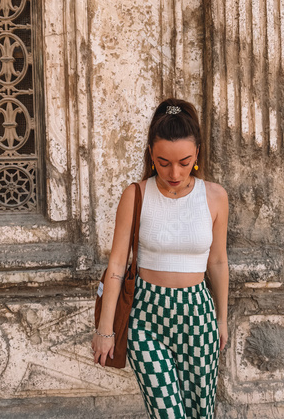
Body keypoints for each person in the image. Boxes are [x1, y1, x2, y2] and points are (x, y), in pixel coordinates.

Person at [91, 98, 229, 419]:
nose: (175, 172)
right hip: (146, 319)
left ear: (197, 154)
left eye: (184, 161)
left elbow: (218, 262)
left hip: (198, 317)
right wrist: (105, 329)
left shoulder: (215, 196)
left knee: (200, 413)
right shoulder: (136, 195)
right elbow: (115, 268)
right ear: (151, 154)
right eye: (163, 162)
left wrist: (221, 319)